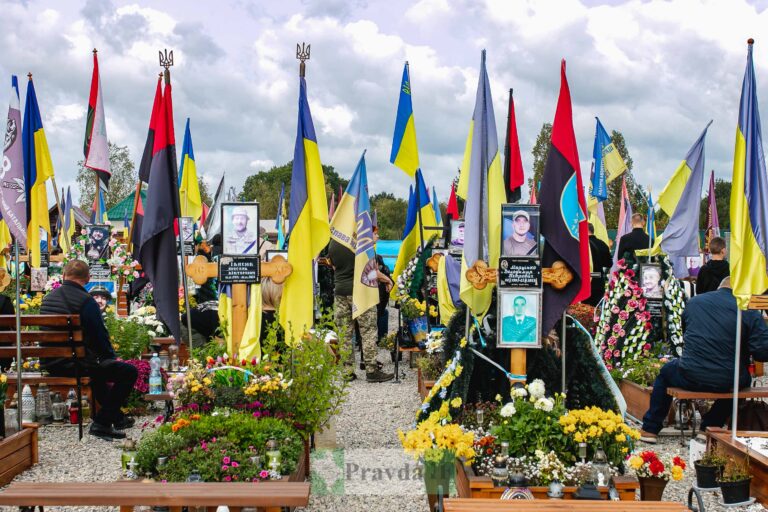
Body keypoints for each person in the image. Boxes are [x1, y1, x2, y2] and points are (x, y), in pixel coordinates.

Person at [640, 277, 768, 443]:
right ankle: (708, 426)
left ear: (719, 287)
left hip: (690, 373)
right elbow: (762, 353)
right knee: (741, 384)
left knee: (665, 373)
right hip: (727, 378)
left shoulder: (695, 302)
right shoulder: (747, 309)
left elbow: (686, 332)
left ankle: (650, 429)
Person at [40, 260, 138, 440]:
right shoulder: (87, 301)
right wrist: (110, 356)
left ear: (63, 275)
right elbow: (100, 336)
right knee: (128, 372)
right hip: (76, 364)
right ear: (88, 278)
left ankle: (116, 417)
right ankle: (101, 423)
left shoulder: (48, 299)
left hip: (50, 363)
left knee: (96, 372)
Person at [327, 238, 393, 383]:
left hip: (340, 292)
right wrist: (387, 280)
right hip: (361, 292)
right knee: (368, 330)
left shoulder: (334, 241)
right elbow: (372, 271)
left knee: (344, 332)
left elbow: (332, 265)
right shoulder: (362, 240)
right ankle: (371, 369)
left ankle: (347, 371)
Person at [587, 223, 612, 306]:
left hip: (585, 282)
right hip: (599, 282)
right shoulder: (603, 244)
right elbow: (609, 263)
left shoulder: (581, 244)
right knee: (597, 310)